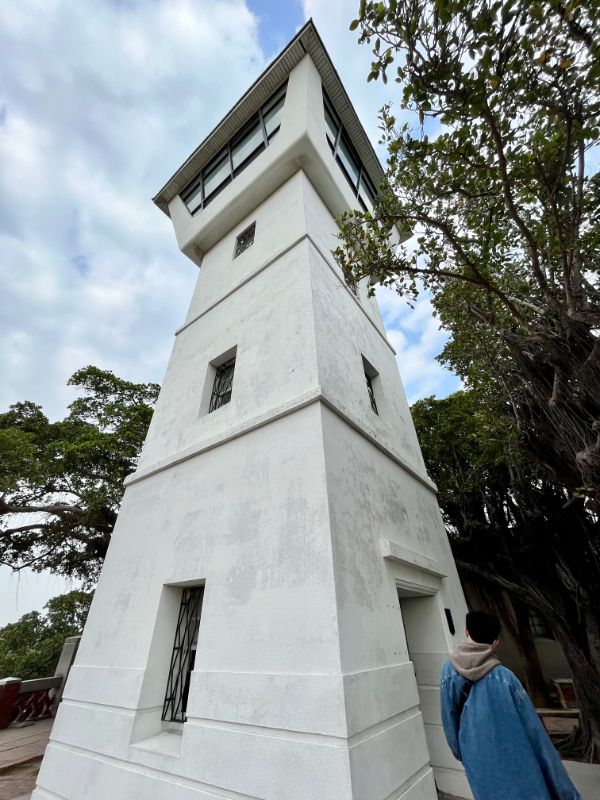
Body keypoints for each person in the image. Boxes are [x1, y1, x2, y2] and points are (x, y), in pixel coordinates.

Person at [440, 610, 581, 800]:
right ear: (495, 643)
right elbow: (535, 731)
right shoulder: (506, 678)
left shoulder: (448, 672)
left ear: (466, 632)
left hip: (478, 759)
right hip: (518, 758)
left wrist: (463, 753)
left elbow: (449, 721)